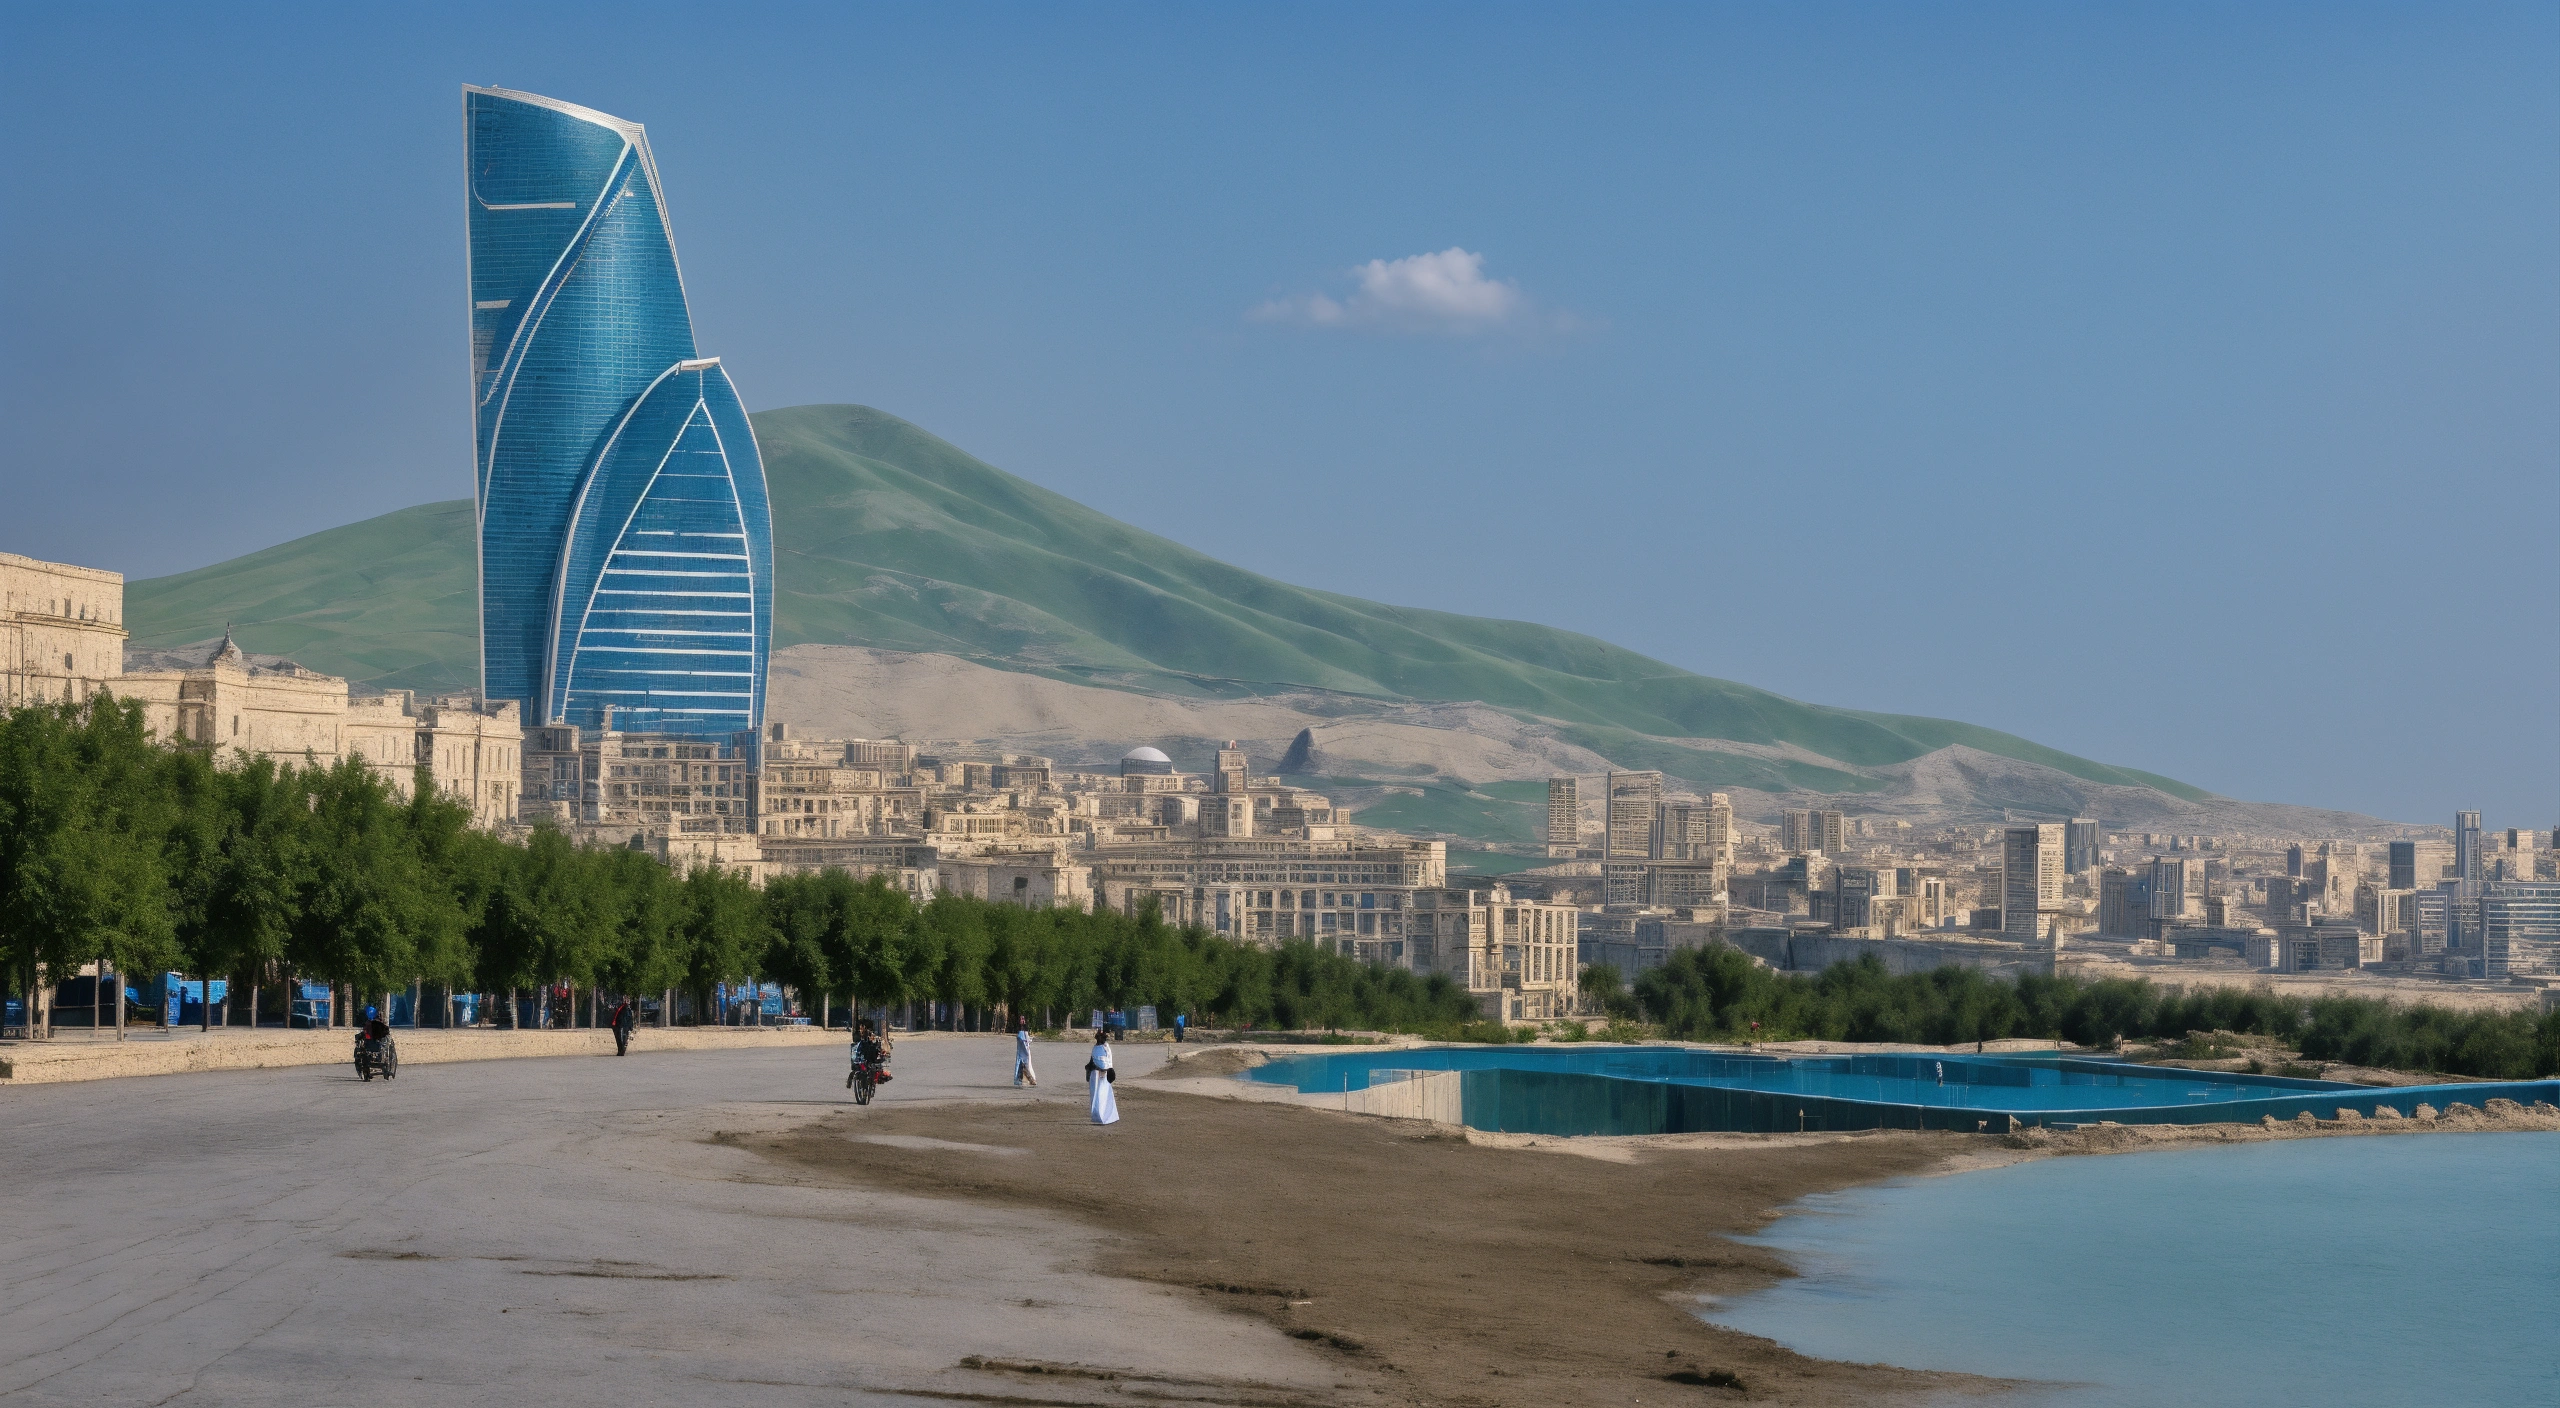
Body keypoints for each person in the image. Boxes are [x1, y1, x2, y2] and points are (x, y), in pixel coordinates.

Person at [1084, 1029, 1119, 1126]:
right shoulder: (1096, 1047)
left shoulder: (1105, 1048)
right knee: (1095, 1095)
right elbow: (1093, 1059)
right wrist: (1089, 1067)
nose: (1099, 1039)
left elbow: (1107, 1062)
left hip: (1102, 1074)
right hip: (1095, 1074)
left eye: (1100, 1037)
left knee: (1102, 1095)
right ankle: (1097, 1116)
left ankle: (1104, 1116)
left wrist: (1109, 1069)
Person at [1013, 1017, 1038, 1088]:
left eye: (1023, 1019)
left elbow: (1026, 1041)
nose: (1022, 1020)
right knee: (1020, 1066)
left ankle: (1030, 1080)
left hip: (1025, 1052)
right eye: (1021, 1019)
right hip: (1021, 1052)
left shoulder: (1025, 1031)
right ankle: (1021, 1080)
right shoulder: (1020, 1032)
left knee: (1027, 1066)